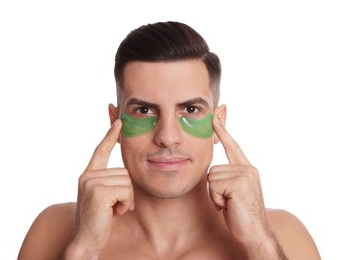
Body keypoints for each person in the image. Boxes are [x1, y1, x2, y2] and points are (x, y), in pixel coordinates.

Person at [18, 21, 320, 259]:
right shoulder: (54, 229)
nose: (167, 137)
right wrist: (83, 249)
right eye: (144, 110)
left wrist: (259, 244)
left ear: (219, 122)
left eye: (190, 109)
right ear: (116, 122)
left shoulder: (282, 234)